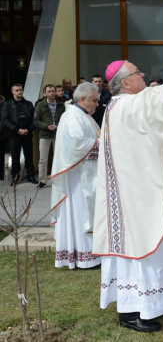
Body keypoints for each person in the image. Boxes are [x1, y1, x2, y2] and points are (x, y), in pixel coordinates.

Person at [92, 39, 163, 333]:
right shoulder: (129, 105)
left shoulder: (118, 106)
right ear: (125, 82)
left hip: (133, 192)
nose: (143, 75)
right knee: (142, 246)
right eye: (137, 72)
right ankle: (135, 310)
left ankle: (135, 307)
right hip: (137, 198)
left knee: (138, 248)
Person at [50, 82, 101, 269]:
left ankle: (91, 255)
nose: (97, 104)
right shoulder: (72, 116)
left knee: (87, 213)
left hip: (86, 174)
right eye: (94, 100)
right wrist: (104, 144)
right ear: (82, 99)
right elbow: (76, 145)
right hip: (77, 180)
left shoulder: (83, 115)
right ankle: (83, 257)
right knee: (81, 214)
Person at [1, 83, 37, 185]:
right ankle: (15, 177)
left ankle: (31, 176)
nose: (19, 92)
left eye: (20, 90)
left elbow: (34, 119)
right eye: (17, 90)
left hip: (27, 134)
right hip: (14, 135)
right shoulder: (7, 104)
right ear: (12, 92)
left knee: (29, 156)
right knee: (15, 156)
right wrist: (17, 130)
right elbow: (5, 119)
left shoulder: (29, 104)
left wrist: (28, 130)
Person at [33, 84, 65, 189]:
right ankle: (42, 180)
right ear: (45, 93)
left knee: (59, 157)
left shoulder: (61, 104)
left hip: (58, 134)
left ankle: (60, 179)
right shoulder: (40, 105)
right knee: (43, 159)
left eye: (53, 91)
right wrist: (46, 126)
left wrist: (58, 126)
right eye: (49, 91)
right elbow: (36, 120)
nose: (51, 93)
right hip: (45, 134)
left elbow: (65, 119)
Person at [0, 96, 7, 181]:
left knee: (1, 155)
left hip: (1, 134)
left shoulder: (3, 104)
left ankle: (0, 175)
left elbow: (4, 118)